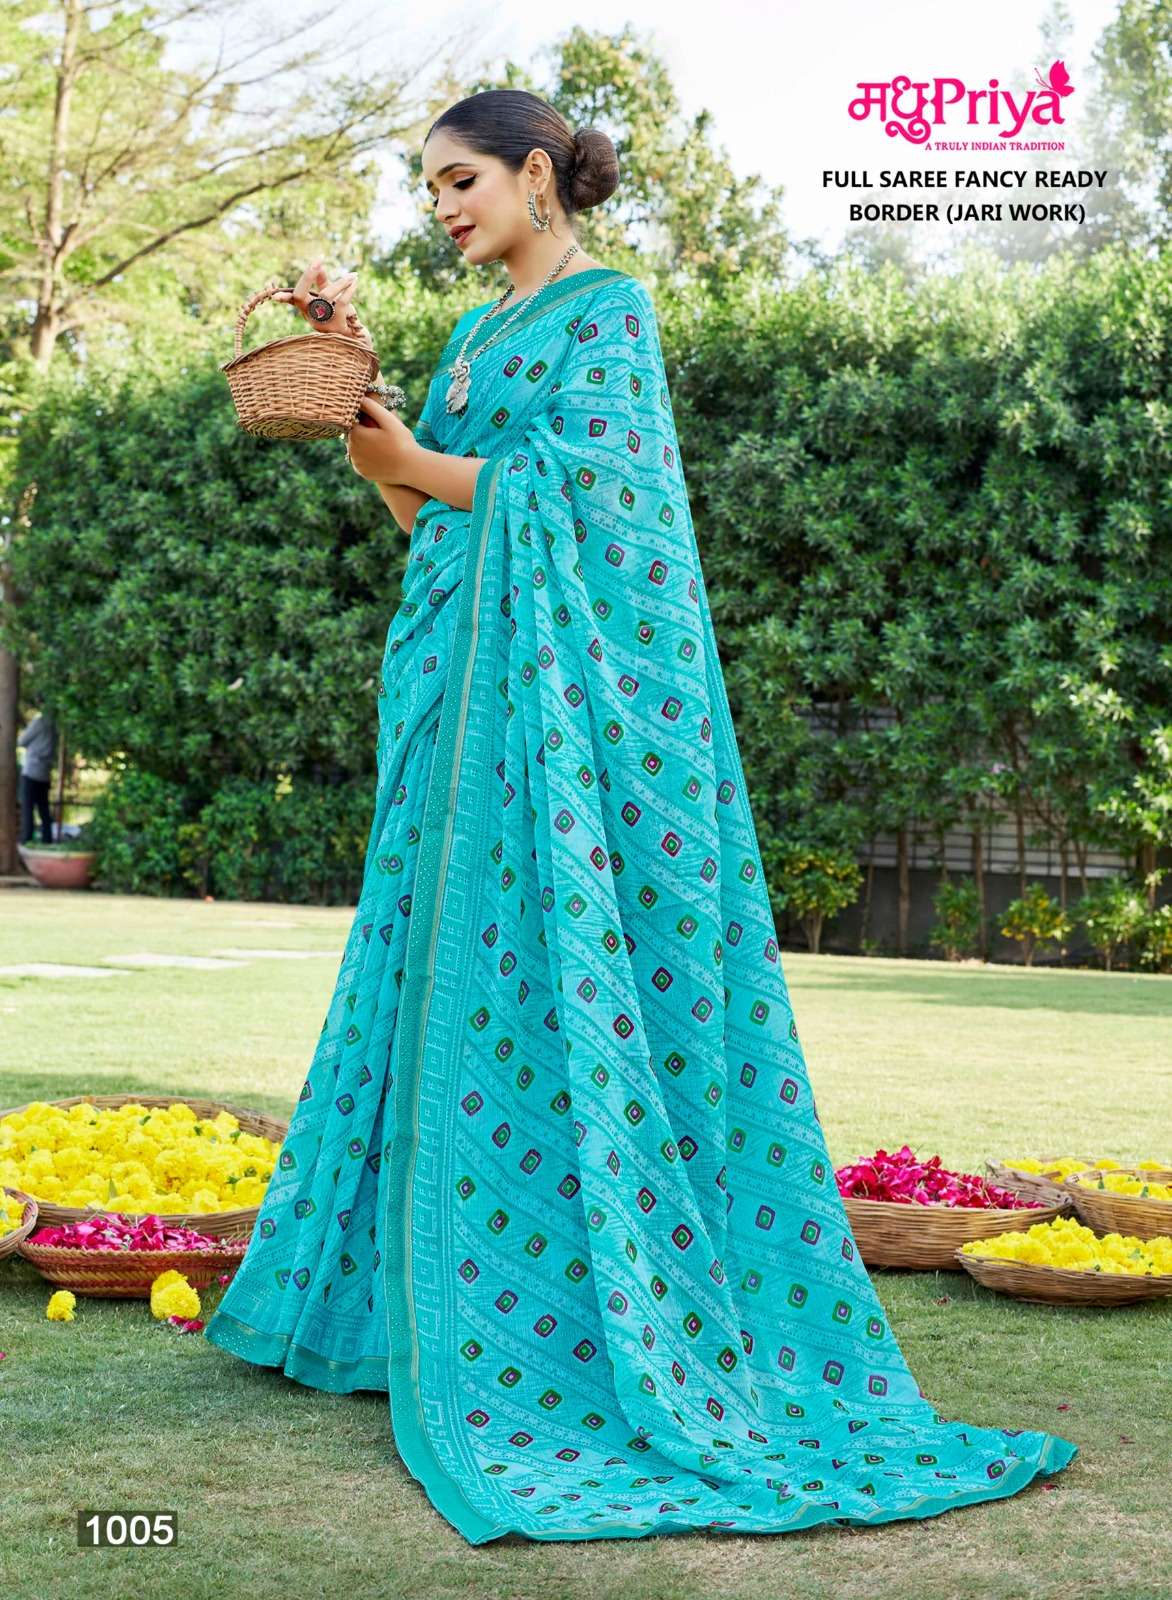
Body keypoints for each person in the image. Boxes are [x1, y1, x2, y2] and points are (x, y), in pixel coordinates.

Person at [204, 88, 1078, 1543]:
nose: (444, 207)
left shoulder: (609, 314)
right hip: (464, 696)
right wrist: (384, 442)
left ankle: (580, 1326)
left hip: (565, 715)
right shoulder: (474, 334)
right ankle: (409, 1307)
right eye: (430, 188)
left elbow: (604, 515)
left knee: (556, 985)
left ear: (538, 175)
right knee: (442, 980)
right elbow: (444, 520)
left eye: (462, 180)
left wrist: (414, 464)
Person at [17, 707, 57, 846]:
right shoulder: (55, 725)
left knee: (27, 808)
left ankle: (27, 840)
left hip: (31, 770)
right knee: (43, 809)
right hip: (45, 772)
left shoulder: (39, 722)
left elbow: (21, 741)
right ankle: (47, 840)